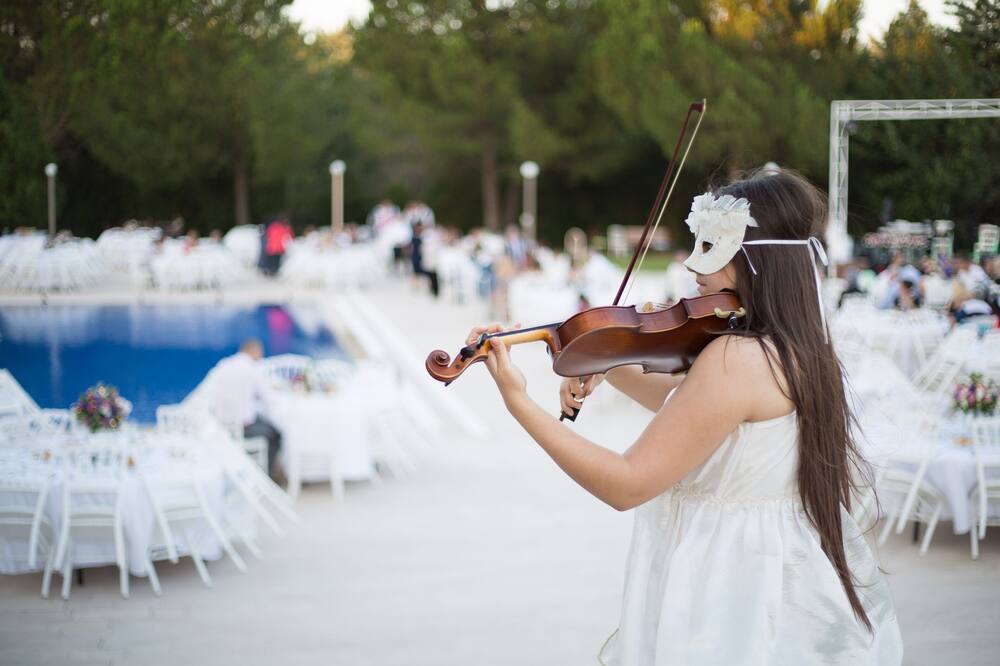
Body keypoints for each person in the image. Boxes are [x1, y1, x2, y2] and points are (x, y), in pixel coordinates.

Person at [467, 168, 901, 664]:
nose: (694, 268)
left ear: (756, 261)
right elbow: (693, 410)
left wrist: (518, 400)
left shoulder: (735, 359)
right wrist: (607, 362)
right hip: (766, 569)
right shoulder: (794, 346)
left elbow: (627, 484)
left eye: (711, 250)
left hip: (723, 581)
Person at [208, 339, 283, 479]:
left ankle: (252, 468)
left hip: (221, 425)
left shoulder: (224, 365)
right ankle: (266, 476)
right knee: (277, 434)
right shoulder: (251, 369)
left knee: (260, 420)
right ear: (254, 351)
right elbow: (269, 399)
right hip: (243, 428)